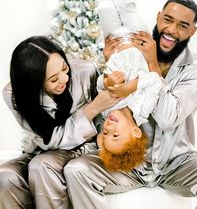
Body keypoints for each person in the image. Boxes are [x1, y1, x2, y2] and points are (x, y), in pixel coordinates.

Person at [63, 0, 197, 209]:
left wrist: (152, 63)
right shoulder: (130, 54)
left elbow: (167, 118)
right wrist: (111, 68)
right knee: (76, 170)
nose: (171, 30)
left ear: (192, 31)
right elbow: (106, 115)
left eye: (182, 25)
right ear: (158, 17)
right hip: (127, 163)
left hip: (176, 162)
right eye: (167, 20)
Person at [0, 35, 120, 209]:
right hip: (44, 150)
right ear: (34, 84)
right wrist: (91, 109)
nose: (64, 79)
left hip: (84, 147)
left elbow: (105, 120)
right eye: (53, 79)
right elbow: (49, 140)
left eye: (65, 68)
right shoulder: (15, 94)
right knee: (4, 176)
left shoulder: (85, 71)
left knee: (41, 166)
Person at [96, 0, 160, 172]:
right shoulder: (143, 109)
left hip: (114, 46)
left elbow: (99, 85)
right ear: (135, 132)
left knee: (104, 6)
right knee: (125, 4)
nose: (109, 127)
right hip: (136, 40)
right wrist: (129, 88)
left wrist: (107, 82)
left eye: (106, 133)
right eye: (116, 134)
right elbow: (155, 81)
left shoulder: (105, 110)